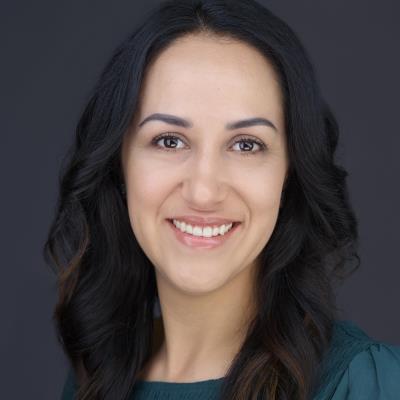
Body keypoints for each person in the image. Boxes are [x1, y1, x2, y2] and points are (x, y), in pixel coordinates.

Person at [43, 0, 400, 399]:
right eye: (169, 141)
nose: (203, 191)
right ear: (119, 163)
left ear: (289, 173)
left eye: (246, 145)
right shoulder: (96, 377)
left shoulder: (364, 383)